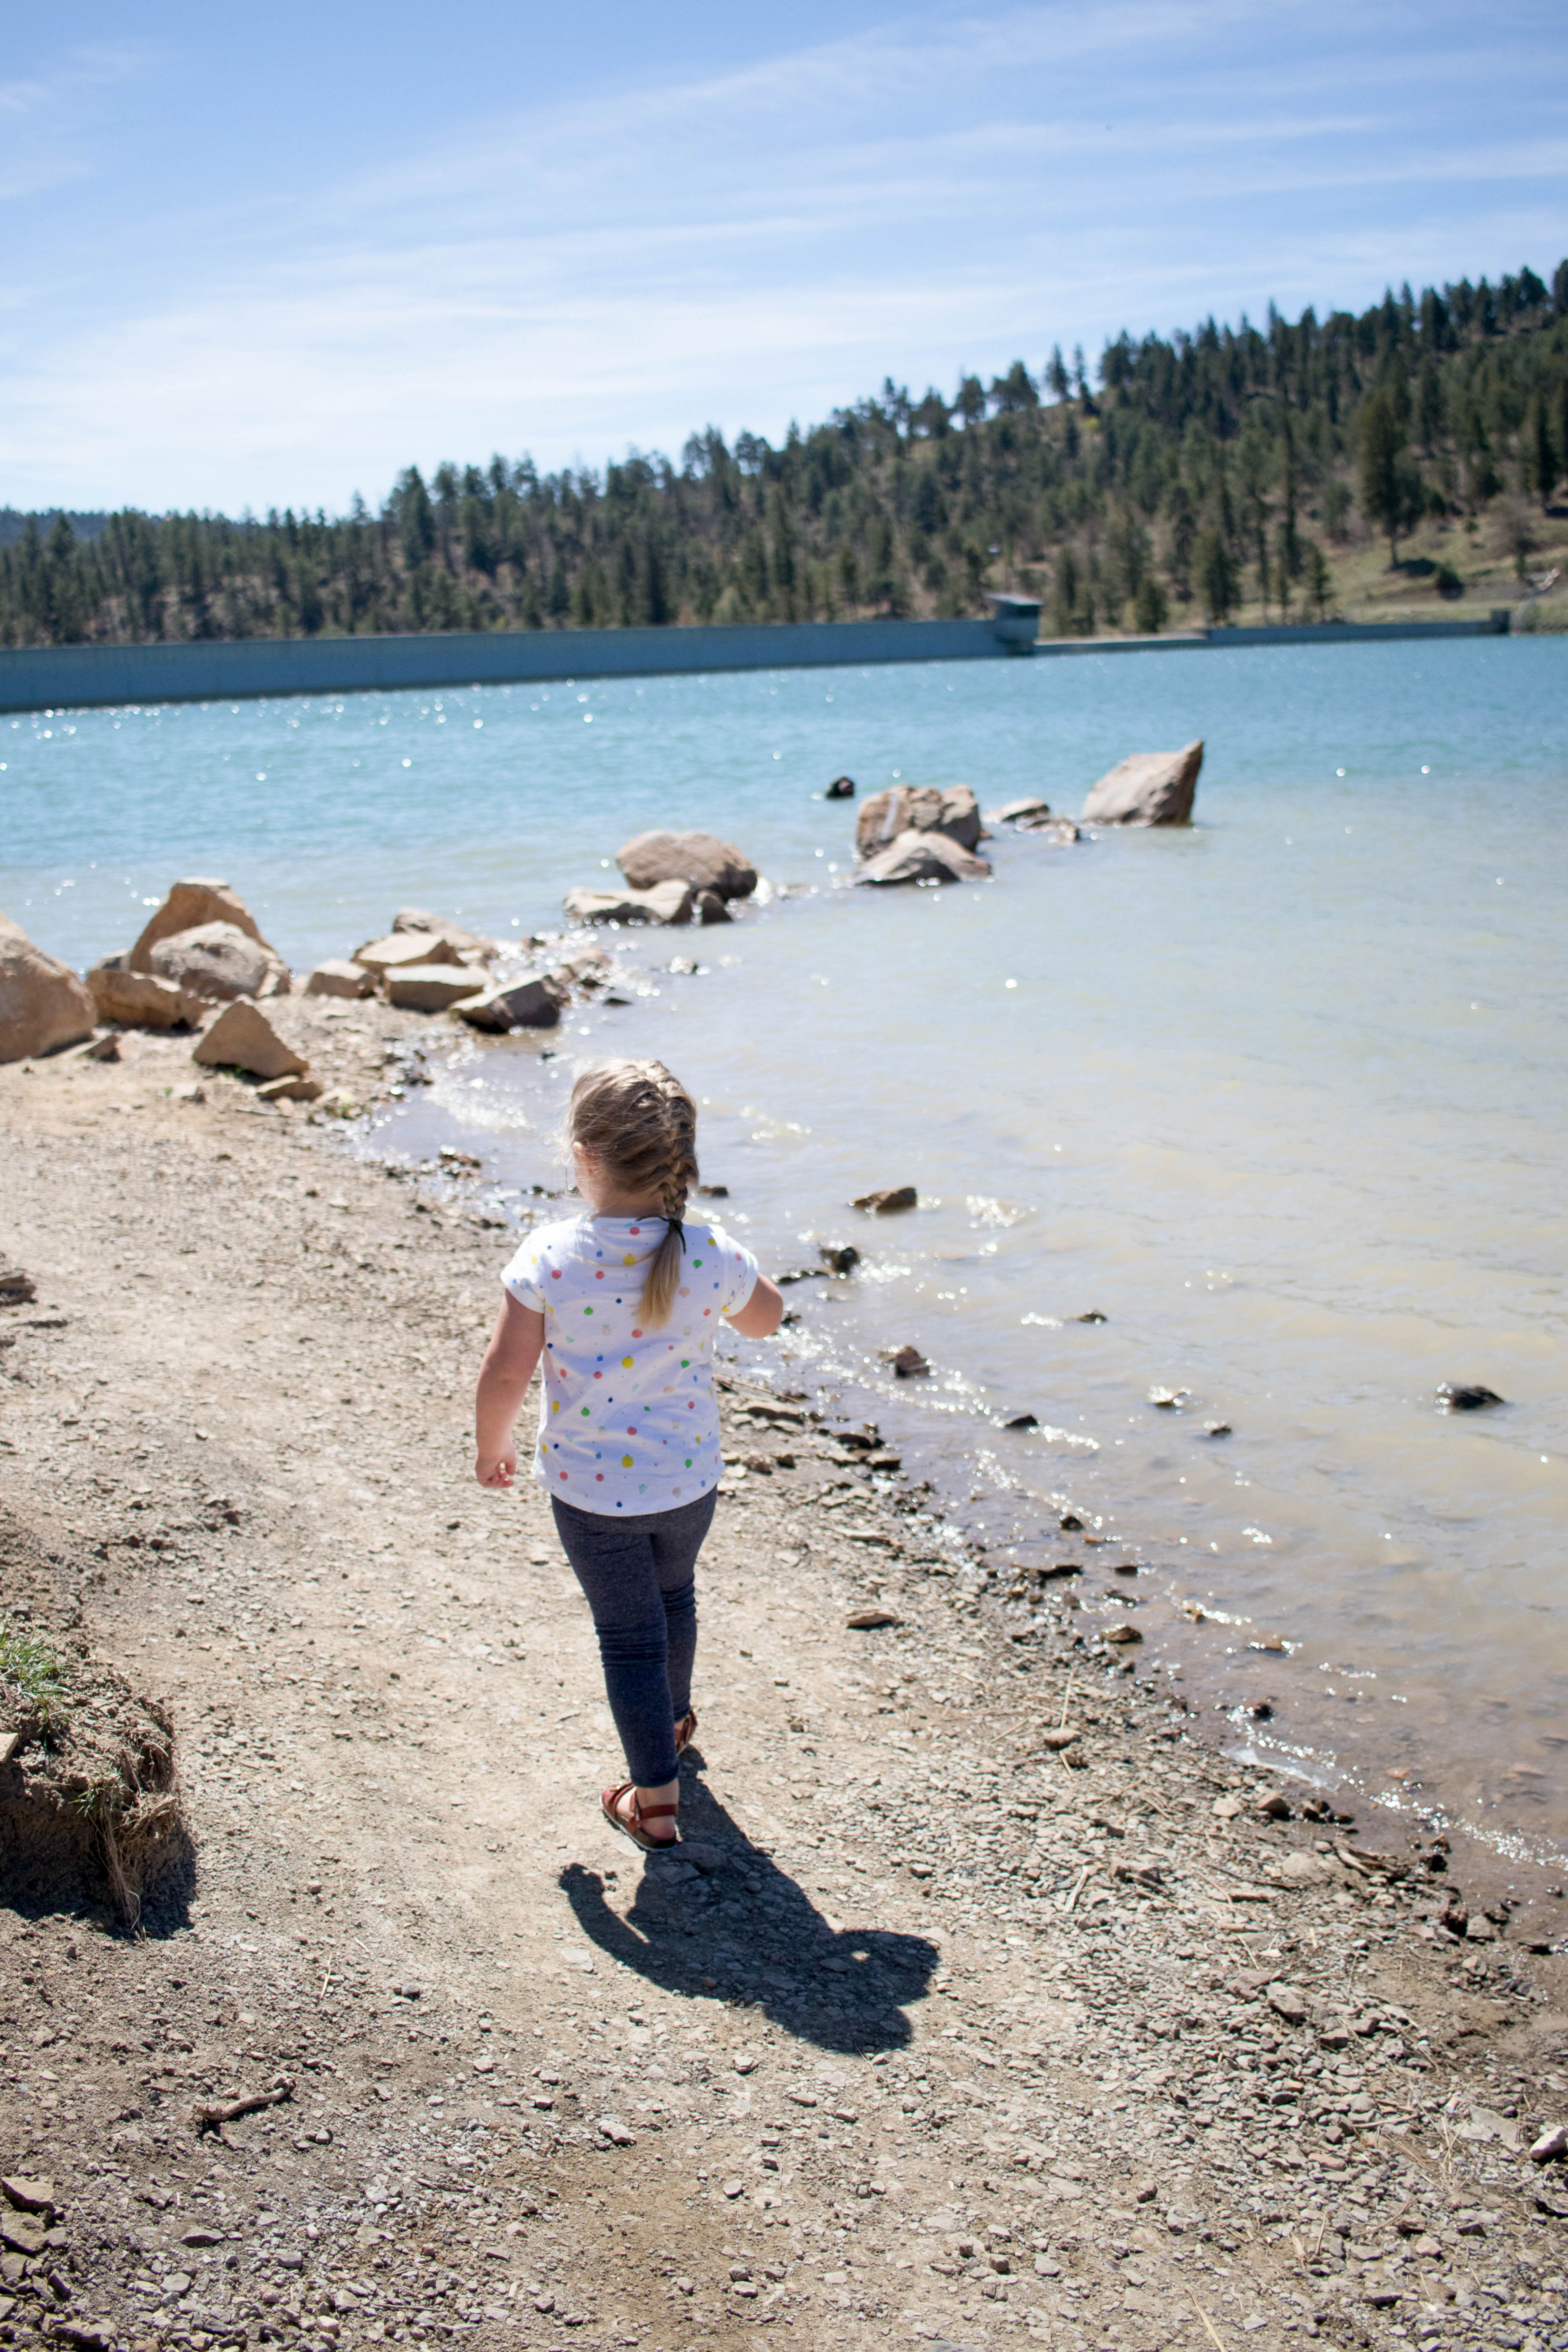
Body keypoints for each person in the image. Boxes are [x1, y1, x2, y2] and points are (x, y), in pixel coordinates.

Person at [474, 1058, 783, 1852]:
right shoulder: (706, 1249)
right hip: (687, 1481)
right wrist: (728, 1275)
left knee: (628, 1634)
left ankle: (653, 1800)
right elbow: (766, 1320)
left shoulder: (551, 1256)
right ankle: (670, 1722)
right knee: (673, 1596)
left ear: (582, 1157)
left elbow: (507, 1369)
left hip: (590, 1493)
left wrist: (492, 1444)